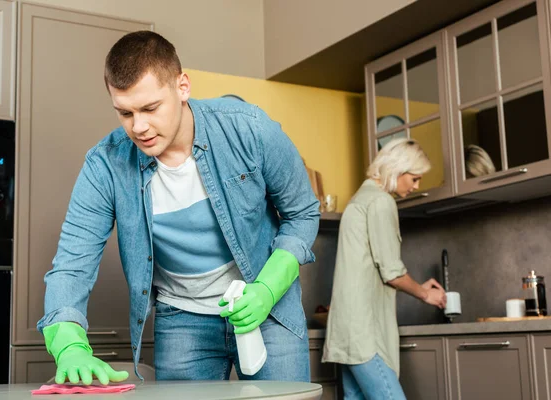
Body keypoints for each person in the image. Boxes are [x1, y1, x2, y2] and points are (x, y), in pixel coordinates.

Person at [37, 30, 320, 385]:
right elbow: (71, 265)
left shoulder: (248, 128)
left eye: (150, 108)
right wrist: (68, 343)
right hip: (182, 318)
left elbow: (302, 214)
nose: (138, 127)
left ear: (182, 86)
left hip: (268, 308)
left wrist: (267, 289)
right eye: (124, 113)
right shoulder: (105, 165)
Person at [322, 138, 447, 400]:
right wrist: (426, 295)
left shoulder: (360, 199)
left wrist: (418, 285)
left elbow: (373, 266)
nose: (416, 186)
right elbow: (392, 273)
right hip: (365, 333)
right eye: (414, 178)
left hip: (349, 330)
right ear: (397, 169)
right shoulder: (380, 202)